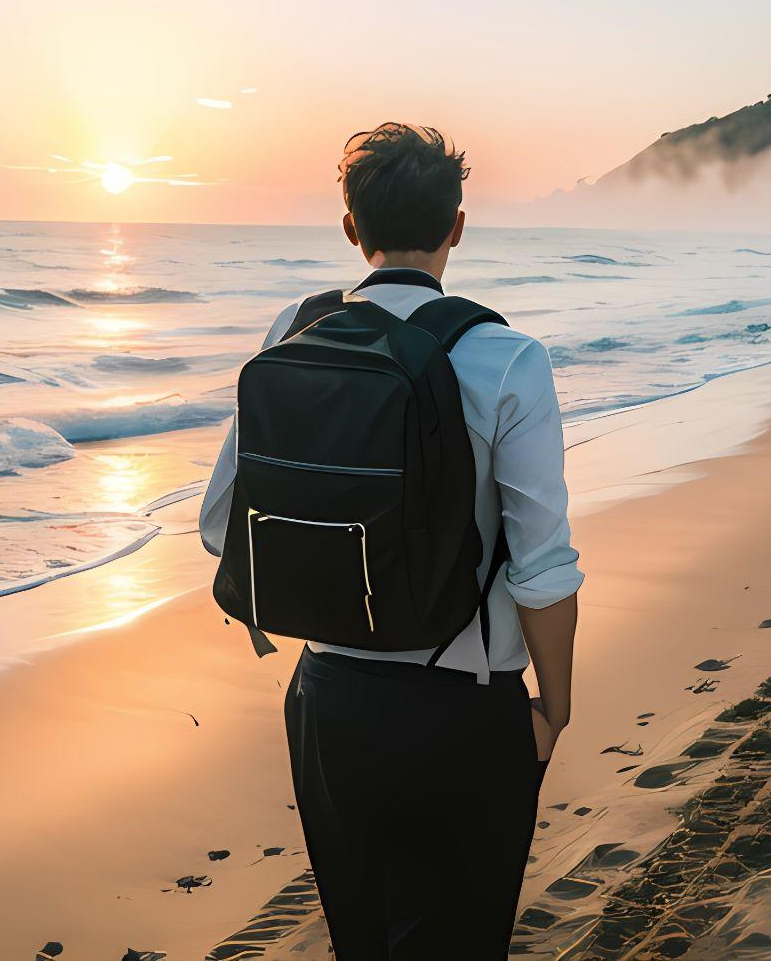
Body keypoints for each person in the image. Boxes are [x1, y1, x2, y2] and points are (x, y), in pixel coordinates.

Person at [199, 123, 583, 958]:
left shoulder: (293, 331)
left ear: (350, 229)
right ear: (457, 226)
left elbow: (218, 521)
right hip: (463, 709)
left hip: (326, 702)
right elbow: (543, 567)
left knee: (362, 944)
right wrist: (553, 709)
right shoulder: (507, 357)